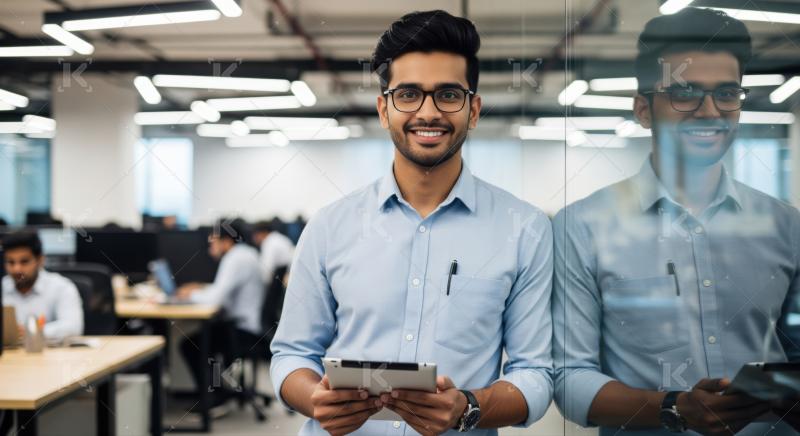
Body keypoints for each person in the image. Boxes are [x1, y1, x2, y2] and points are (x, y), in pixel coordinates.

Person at [270, 10, 553, 436]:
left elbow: (535, 372)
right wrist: (315, 399)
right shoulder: (330, 226)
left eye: (448, 95)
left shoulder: (525, 229)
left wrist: (469, 408)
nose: (428, 112)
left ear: (473, 110)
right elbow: (292, 354)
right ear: (384, 109)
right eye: (408, 95)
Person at [552, 8, 800, 435]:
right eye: (684, 93)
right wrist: (673, 408)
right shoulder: (582, 226)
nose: (709, 112)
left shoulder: (786, 227)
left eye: (726, 94)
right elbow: (568, 379)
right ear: (643, 109)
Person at [178, 218, 265, 409]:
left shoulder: (234, 258)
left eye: (214, 239)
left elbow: (216, 298)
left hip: (241, 331)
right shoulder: (246, 254)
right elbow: (221, 291)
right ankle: (217, 391)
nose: (211, 243)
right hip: (248, 326)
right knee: (197, 341)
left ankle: (214, 397)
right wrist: (200, 289)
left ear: (226, 241)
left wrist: (191, 294)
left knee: (190, 345)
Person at [1, 231, 83, 340]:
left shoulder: (62, 287)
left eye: (24, 262)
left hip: (49, 355)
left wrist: (32, 330)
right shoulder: (2, 287)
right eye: (11, 262)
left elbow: (73, 327)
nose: (17, 269)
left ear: (40, 260)